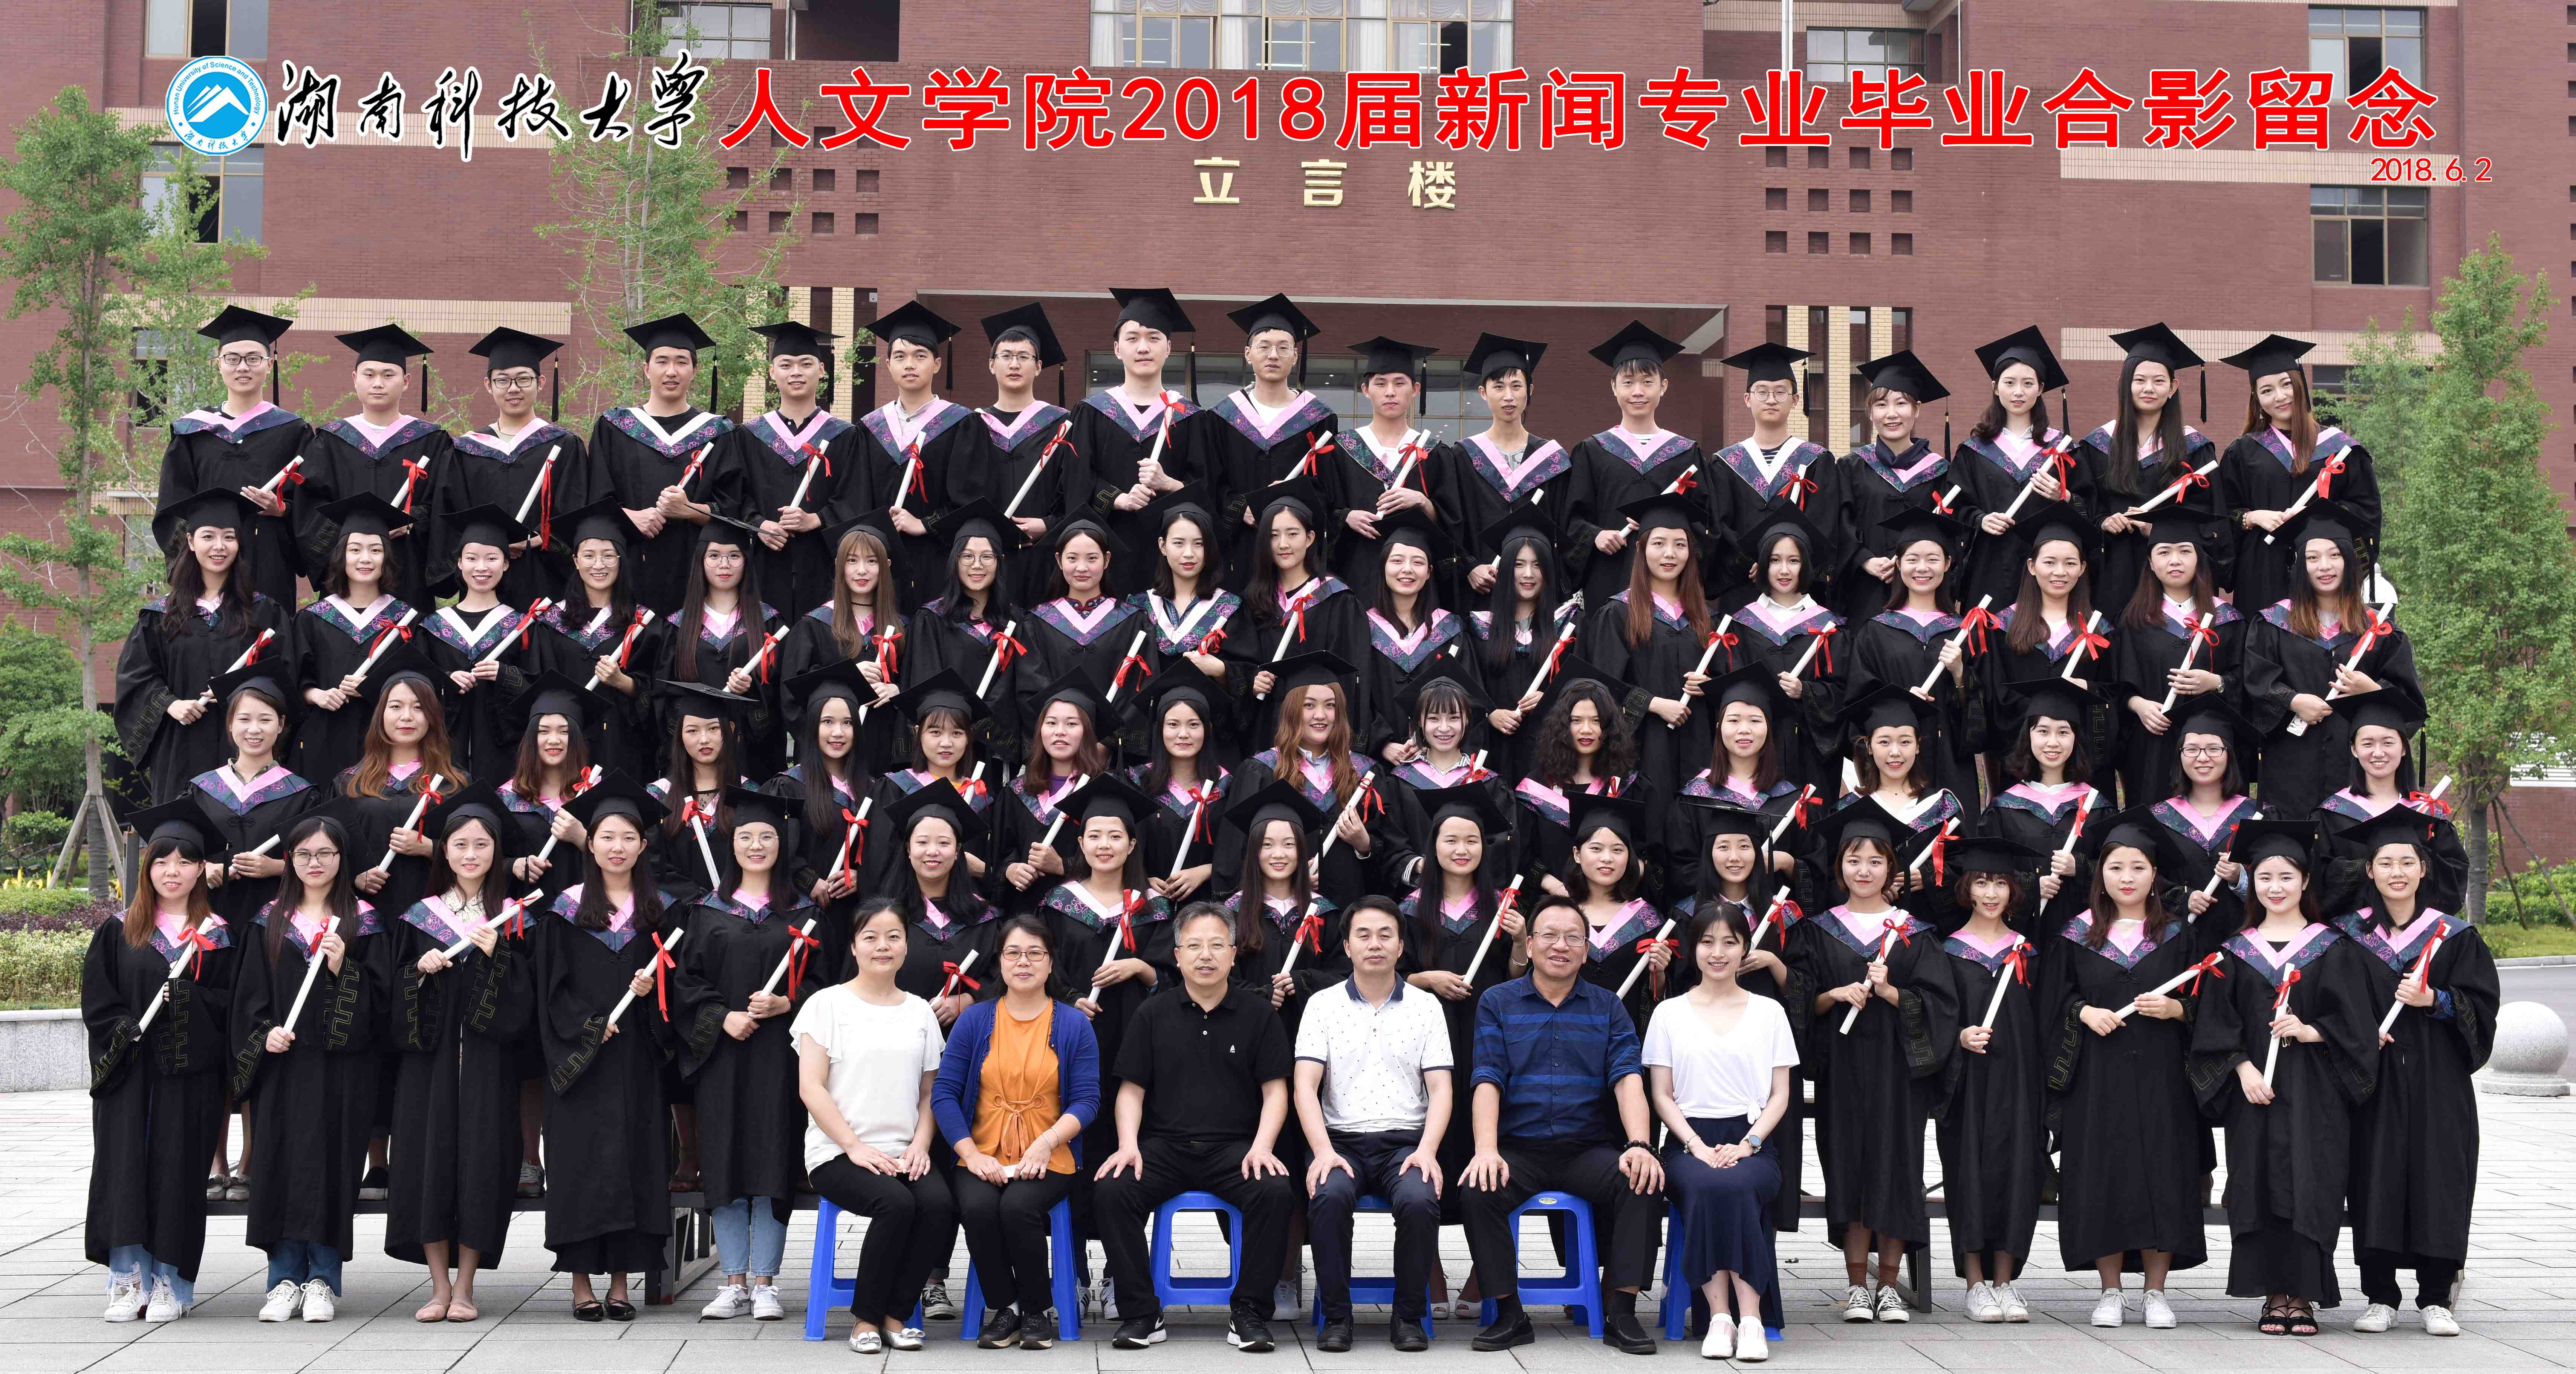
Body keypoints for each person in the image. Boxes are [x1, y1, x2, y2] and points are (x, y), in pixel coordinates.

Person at [2189, 818, 2379, 1336]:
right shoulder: (2234, 951)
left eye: (2286, 877)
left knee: (2312, 1183)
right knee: (2256, 1185)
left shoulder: (2333, 947)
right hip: (2255, 1094)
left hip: (2316, 1092)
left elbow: (2358, 1025)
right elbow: (2214, 1026)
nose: (2275, 887)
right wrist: (2242, 1068)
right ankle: (2272, 1295)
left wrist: (2312, 1029)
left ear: (2305, 882)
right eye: (2265, 877)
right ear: (2252, 882)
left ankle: (2303, 1296)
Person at [1459, 897, 1666, 1354]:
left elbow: (1627, 1077)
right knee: (1477, 1186)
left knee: (1642, 1179)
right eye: (1549, 935)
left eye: (1573, 937)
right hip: (1519, 1148)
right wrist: (1486, 1149)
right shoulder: (1498, 1002)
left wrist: (1639, 1144)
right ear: (1530, 944)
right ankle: (1509, 1313)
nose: (1561, 945)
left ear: (1586, 950)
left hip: (1586, 1148)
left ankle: (1621, 1310)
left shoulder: (1607, 1006)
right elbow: (1487, 1078)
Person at [1091, 901, 1299, 1353]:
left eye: (1217, 945)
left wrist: (1263, 1146)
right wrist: (1128, 1144)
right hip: (1163, 1147)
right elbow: (1130, 1091)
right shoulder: (1153, 1013)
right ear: (1178, 955)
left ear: (1233, 954)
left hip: (1234, 1149)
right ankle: (1141, 1312)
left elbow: (1275, 1092)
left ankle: (1248, 1310)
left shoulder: (1257, 1013)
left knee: (1274, 1191)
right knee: (1112, 1188)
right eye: (1194, 946)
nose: (1206, 955)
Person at [2038, 809, 2211, 1328]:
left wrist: (2177, 1009)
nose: (2127, 877)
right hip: (2097, 1078)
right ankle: (2109, 1290)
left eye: (2138, 867)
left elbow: (2212, 1004)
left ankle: (2156, 1292)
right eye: (2116, 867)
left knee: (2165, 1171)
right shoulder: (2075, 934)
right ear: (2100, 874)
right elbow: (2051, 1000)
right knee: (2102, 1174)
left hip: (2164, 1077)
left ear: (2155, 874)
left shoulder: (2180, 935)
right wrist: (2082, 1012)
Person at [2333, 809, 2498, 1337]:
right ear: (2370, 870)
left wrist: (2437, 1000)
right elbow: (2332, 1002)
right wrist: (2360, 1030)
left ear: (2424, 869)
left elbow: (2483, 1006)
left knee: (2439, 1177)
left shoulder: (2453, 935)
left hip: (2438, 1078)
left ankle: (2435, 1297)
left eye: (2407, 862)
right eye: (2386, 862)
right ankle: (2380, 1296)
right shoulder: (2349, 936)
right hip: (2374, 1076)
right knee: (2373, 1176)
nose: (2397, 872)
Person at [1792, 799, 1954, 1324]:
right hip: (1842, 1071)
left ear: (1891, 868)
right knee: (1848, 1168)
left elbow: (1941, 1006)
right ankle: (1856, 1285)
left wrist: (1890, 993)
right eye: (1853, 859)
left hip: (1897, 1072)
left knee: (1896, 1169)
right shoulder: (1818, 929)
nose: (1863, 870)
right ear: (1839, 866)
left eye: (1875, 860)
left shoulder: (1914, 932)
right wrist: (1834, 994)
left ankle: (1889, 1285)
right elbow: (1802, 1001)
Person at [668, 788, 823, 1321]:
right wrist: (721, 1017)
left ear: (783, 844)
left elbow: (829, 984)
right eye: (746, 837)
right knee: (726, 1160)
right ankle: (733, 1281)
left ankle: (766, 1283)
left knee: (772, 1160)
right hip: (724, 1058)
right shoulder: (707, 911)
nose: (756, 845)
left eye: (767, 836)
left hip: (781, 1059)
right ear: (731, 845)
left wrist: (788, 1002)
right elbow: (686, 984)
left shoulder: (804, 914)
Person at [85, 799, 238, 1324]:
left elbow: (230, 1004)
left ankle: (172, 1281)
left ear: (201, 870)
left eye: (185, 861)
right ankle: (128, 1280)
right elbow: (98, 1002)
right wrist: (123, 1030)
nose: (173, 871)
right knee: (125, 1169)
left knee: (178, 1172)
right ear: (147, 869)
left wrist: (188, 1002)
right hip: (130, 1075)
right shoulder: (119, 930)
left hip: (188, 1076)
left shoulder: (218, 934)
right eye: (162, 861)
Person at [382, 784, 527, 1322]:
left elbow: (525, 1004)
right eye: (460, 844)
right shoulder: (418, 916)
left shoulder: (513, 917)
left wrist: (499, 957)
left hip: (488, 1069)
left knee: (481, 1167)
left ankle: (466, 1286)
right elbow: (393, 998)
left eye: (482, 844)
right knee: (429, 1165)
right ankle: (438, 1286)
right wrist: (418, 974)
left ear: (496, 852)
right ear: (443, 851)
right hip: (430, 1070)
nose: (471, 854)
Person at [791, 898, 958, 1354]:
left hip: (903, 1150)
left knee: (939, 1204)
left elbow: (930, 1092)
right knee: (896, 1203)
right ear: (854, 946)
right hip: (837, 1153)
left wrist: (921, 1145)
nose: (882, 946)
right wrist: (854, 1147)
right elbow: (811, 1088)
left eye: (893, 937)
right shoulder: (826, 1005)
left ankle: (895, 1314)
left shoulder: (920, 1012)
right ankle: (866, 1319)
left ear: (906, 946)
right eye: (871, 937)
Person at [231, 811, 375, 1324]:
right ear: (289, 859)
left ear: (342, 858)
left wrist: (343, 968)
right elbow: (247, 997)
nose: (316, 863)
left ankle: (322, 1281)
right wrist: (263, 1033)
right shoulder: (269, 921)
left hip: (340, 1071)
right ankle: (283, 1280)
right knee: (281, 1167)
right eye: (305, 854)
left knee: (332, 1169)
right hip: (284, 1069)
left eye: (326, 853)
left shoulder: (364, 921)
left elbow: (381, 1003)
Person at [932, 916, 1102, 1350]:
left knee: (1017, 1208)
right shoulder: (974, 1020)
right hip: (982, 1152)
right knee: (977, 1207)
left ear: (1050, 963)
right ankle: (1005, 1306)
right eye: (1013, 953)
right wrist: (971, 1154)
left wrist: (1046, 1143)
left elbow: (1087, 1101)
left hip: (1050, 1154)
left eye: (1034, 953)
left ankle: (1036, 1310)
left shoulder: (1073, 1024)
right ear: (1000, 961)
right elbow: (945, 1094)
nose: (1023, 962)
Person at [1294, 896, 1453, 1353]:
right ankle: (1336, 1316)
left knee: (1419, 1199)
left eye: (1386, 935)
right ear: (1347, 946)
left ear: (1401, 946)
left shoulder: (1426, 1007)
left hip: (1405, 1143)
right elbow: (1305, 1085)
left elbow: (1441, 1088)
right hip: (1339, 1141)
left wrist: (1427, 1151)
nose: (1375, 944)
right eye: (1363, 935)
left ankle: (1408, 1316)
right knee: (1328, 1196)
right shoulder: (1322, 1005)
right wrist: (1322, 1152)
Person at [1644, 900, 1797, 1362]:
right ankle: (1720, 1316)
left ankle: (1749, 1320)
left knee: (1736, 1183)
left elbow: (1780, 1095)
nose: (1717, 953)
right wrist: (1694, 1145)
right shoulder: (1668, 1013)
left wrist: (1749, 1144)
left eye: (1729, 942)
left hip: (1753, 1141)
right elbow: (1661, 1095)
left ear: (1744, 948)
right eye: (1707, 942)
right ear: (1692, 949)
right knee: (1710, 1183)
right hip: (1687, 1141)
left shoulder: (1769, 1011)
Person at [2243, 499, 2422, 818]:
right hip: (2290, 771)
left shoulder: (2379, 631)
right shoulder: (2272, 624)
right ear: (2301, 566)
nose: (2324, 566)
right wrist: (2293, 700)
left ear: (2350, 561)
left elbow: (2410, 704)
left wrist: (2373, 690)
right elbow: (2256, 683)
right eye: (2313, 558)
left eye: (2334, 555)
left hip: (2355, 772)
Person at [1036, 775, 1175, 1184]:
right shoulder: (1058, 905)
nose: (1104, 845)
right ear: (1080, 844)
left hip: (1139, 1036)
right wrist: (1071, 999)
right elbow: (1045, 970)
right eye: (1095, 836)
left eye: (1115, 837)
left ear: (1131, 845)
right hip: (1075, 1036)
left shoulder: (1153, 907)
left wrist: (1139, 968)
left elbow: (1174, 975)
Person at [116, 488, 294, 804]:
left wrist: (242, 691)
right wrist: (170, 705)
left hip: (246, 747)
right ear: (190, 542)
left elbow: (285, 678)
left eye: (229, 537)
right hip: (181, 747)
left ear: (239, 543)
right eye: (208, 537)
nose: (219, 546)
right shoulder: (161, 616)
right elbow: (135, 677)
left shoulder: (264, 613)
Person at [1932, 837, 2047, 1322]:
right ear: (1966, 888)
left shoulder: (2028, 952)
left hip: (2019, 1082)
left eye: (2000, 882)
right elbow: (1932, 1013)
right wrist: (1957, 1035)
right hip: (1967, 1084)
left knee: (2018, 1173)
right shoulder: (1946, 951)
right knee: (1967, 1175)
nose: (1991, 892)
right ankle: (1975, 1283)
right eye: (1981, 882)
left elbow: (2045, 1019)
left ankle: (2005, 1282)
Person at [158, 306, 308, 608]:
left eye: (253, 359)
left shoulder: (293, 431)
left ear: (269, 364)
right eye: (232, 359)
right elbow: (174, 506)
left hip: (269, 568)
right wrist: (191, 560)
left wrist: (283, 510)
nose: (243, 367)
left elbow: (313, 504)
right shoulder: (193, 432)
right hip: (206, 574)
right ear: (218, 364)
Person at [2218, 335, 2379, 614]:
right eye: (2267, 391)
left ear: (2301, 384)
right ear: (2256, 398)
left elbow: (2367, 512)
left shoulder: (2341, 449)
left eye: (2287, 384)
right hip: (2262, 577)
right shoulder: (2243, 452)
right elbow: (2220, 515)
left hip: (2323, 577)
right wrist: (2251, 518)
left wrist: (2319, 514)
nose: (2280, 397)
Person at [431, 326, 590, 606]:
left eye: (524, 379)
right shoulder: (465, 450)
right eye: (503, 380)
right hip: (483, 585)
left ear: (541, 382)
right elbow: (448, 517)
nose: (513, 388)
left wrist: (541, 540)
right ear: (488, 385)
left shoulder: (564, 446)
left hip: (546, 584)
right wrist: (483, 545)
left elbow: (577, 514)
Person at [588, 313, 733, 614]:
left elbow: (734, 507)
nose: (672, 371)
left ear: (695, 370)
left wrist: (690, 510)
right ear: (646, 369)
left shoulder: (718, 432)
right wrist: (629, 517)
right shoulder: (615, 427)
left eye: (682, 362)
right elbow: (593, 501)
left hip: (698, 573)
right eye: (662, 361)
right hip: (629, 567)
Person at [295, 325, 446, 606]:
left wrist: (410, 522)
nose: (378, 383)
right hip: (346, 578)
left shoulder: (433, 441)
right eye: (369, 374)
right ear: (355, 379)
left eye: (389, 375)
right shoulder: (331, 440)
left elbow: (445, 507)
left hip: (408, 573)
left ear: (406, 381)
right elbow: (310, 510)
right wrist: (352, 533)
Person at [2080, 324, 2226, 615]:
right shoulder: (2097, 445)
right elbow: (2083, 503)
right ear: (2124, 384)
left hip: (2173, 577)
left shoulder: (2194, 449)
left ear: (2172, 388)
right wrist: (2104, 521)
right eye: (2140, 380)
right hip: (2113, 572)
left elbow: (2211, 518)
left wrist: (2161, 529)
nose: (2149, 388)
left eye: (2159, 381)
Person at [719, 320, 860, 620]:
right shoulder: (748, 435)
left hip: (824, 566)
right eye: (786, 365)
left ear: (822, 370)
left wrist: (817, 519)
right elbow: (734, 495)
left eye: (806, 364)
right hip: (764, 566)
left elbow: (857, 496)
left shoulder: (846, 436)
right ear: (772, 372)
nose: (796, 372)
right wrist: (759, 524)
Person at [1840, 508, 1983, 802]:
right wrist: (1899, 703)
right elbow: (1858, 703)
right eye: (1913, 559)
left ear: (1948, 564)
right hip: (1895, 766)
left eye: (1933, 559)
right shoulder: (1875, 632)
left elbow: (1982, 713)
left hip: (1951, 763)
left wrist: (1960, 674)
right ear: (1898, 564)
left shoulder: (1965, 631)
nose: (1922, 568)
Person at [1068, 288, 1202, 597]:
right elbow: (1075, 479)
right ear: (1117, 349)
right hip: (1106, 554)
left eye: (1154, 338)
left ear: (1169, 348)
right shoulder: (1092, 412)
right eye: (1133, 339)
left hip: (1170, 560)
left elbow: (1207, 489)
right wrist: (1117, 499)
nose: (1143, 347)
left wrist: (1170, 484)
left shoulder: (1190, 416)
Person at [1218, 655, 1380, 909]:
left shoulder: (1364, 772)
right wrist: (1285, 878)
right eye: (1309, 705)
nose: (1321, 715)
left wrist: (1365, 844)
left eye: (1330, 705)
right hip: (1281, 914)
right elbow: (1236, 852)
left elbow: (1388, 852)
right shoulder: (1261, 771)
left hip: (1352, 912)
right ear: (1292, 710)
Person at [1588, 493, 1717, 809]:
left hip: (1698, 745)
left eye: (1680, 544)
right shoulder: (1618, 613)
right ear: (1641, 549)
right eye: (1659, 543)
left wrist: (1710, 685)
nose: (1670, 554)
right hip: (1642, 749)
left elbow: (1726, 685)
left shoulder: (1707, 618)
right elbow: (1601, 687)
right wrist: (1653, 703)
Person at [1204, 294, 1341, 586]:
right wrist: (1241, 508)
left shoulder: (1320, 418)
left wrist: (1296, 500)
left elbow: (1328, 489)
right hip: (1239, 549)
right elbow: (1212, 481)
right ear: (1248, 354)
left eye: (1283, 348)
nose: (1273, 355)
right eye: (1264, 347)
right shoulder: (1222, 417)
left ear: (1295, 356)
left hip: (1295, 549)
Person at [2111, 502, 2242, 807]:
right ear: (2150, 562)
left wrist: (2215, 683)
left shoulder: (2228, 619)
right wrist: (2139, 705)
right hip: (2152, 745)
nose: (2175, 561)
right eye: (2164, 552)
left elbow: (2245, 681)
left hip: (2209, 747)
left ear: (2199, 559)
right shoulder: (2133, 621)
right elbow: (2116, 685)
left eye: (2185, 551)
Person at [1566, 322, 1704, 606]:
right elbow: (1571, 519)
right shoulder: (1593, 451)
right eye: (1628, 383)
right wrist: (1595, 536)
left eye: (1648, 382)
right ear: (1614, 387)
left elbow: (1703, 521)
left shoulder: (1685, 453)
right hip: (1608, 579)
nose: (1638, 392)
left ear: (1663, 387)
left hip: (1670, 587)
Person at [286, 494, 419, 786]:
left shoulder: (407, 620)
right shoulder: (312, 619)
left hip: (386, 742)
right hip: (323, 740)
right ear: (341, 557)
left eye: (376, 550)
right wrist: (317, 695)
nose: (365, 559)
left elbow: (420, 683)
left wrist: (375, 687)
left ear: (387, 558)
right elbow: (293, 679)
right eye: (355, 550)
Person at [1982, 503, 2118, 780]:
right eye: (2050, 562)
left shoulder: (2100, 630)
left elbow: (2114, 693)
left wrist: (2088, 689)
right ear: (2032, 566)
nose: (2060, 572)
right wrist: (2040, 721)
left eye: (2070, 563)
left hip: (2083, 762)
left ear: (2082, 569)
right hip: (2021, 758)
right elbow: (1996, 695)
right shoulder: (2003, 626)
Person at [530, 497, 667, 769]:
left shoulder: (644, 624)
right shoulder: (550, 622)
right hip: (566, 747)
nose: (599, 565)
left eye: (608, 556)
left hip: (623, 748)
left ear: (621, 561)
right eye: (589, 556)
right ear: (576, 561)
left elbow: (661, 693)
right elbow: (539, 685)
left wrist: (623, 682)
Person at [1720, 502, 1845, 796]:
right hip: (1755, 751)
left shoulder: (1829, 626)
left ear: (1806, 565)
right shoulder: (1741, 624)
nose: (1784, 570)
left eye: (1794, 561)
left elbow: (1844, 692)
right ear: (1763, 565)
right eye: (1775, 560)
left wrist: (1806, 691)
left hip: (1809, 753)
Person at [1440, 335, 1573, 610]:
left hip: (1538, 591)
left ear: (1530, 391)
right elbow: (1451, 522)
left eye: (1516, 386)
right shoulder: (1463, 456)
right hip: (1482, 590)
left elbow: (1563, 527)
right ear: (1483, 392)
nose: (1508, 397)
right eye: (1499, 387)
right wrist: (1469, 566)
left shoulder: (1553, 458)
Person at [1707, 343, 1844, 607]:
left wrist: (1785, 563)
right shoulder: (1725, 463)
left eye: (1781, 392)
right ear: (1748, 399)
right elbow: (1719, 525)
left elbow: (1824, 524)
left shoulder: (1817, 460)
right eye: (1762, 392)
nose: (1771, 400)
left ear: (1796, 400)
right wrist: (1754, 561)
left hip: (1799, 591)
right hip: (1743, 589)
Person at [1234, 481, 1367, 749]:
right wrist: (1252, 679)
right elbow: (1243, 664)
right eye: (1273, 536)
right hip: (1267, 733)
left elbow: (1353, 677)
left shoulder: (1337, 599)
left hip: (1321, 735)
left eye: (1293, 534)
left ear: (1310, 538)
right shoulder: (1253, 601)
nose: (1283, 544)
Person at [1956, 327, 2080, 610]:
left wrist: (2064, 496)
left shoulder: (2063, 449)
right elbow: (1956, 507)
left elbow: (2090, 507)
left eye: (2028, 383)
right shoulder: (1974, 451)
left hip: (2049, 571)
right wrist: (1981, 520)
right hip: (1990, 567)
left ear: (2041, 389)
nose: (2018, 392)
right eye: (2009, 383)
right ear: (1995, 387)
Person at [1977, 681, 2110, 939]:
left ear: (2076, 738)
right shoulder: (2004, 808)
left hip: (2085, 937)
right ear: (2029, 736)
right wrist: (2029, 885)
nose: (2053, 742)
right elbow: (1985, 871)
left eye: (2063, 732)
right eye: (2043, 732)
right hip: (2020, 937)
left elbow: (2119, 870)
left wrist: (2080, 867)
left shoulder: (2096, 806)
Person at [2316, 690, 2469, 914]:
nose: (2378, 753)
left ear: (2404, 748)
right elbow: (2317, 878)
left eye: (2388, 743)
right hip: (2351, 931)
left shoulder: (2428, 815)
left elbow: (2453, 880)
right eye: (2368, 744)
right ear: (2354, 749)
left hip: (2414, 930)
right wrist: (2365, 870)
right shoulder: (2332, 813)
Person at [191, 667, 318, 931]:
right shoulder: (201, 789)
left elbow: (323, 860)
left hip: (276, 921)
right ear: (230, 724)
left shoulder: (302, 794)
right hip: (206, 919)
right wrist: (203, 868)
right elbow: (179, 851)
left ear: (281, 725)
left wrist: (277, 867)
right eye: (244, 719)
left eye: (265, 720)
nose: (254, 729)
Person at [418, 506, 539, 781]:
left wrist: (505, 674)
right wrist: (446, 680)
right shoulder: (432, 627)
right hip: (444, 749)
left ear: (506, 564)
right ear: (460, 563)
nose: (481, 567)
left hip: (504, 755)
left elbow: (538, 687)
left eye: (492, 558)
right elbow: (416, 683)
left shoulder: (523, 626)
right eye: (471, 558)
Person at [1834, 351, 1953, 624]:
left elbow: (1950, 531)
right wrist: (1864, 560)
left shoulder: (1941, 471)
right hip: (1864, 591)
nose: (1891, 414)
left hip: (1923, 591)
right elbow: (1838, 523)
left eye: (1901, 403)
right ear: (1870, 413)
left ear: (1916, 409)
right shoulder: (1852, 467)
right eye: (1881, 405)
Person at [909, 501, 1031, 768]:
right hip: (948, 748)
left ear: (1000, 562)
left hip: (998, 750)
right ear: (955, 562)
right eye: (967, 556)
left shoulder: (1018, 621)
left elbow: (1023, 686)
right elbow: (926, 683)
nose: (977, 566)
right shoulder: (932, 619)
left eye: (987, 557)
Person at [1467, 499, 1581, 783]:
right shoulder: (1480, 626)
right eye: (1519, 565)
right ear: (1506, 570)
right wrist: (1490, 713)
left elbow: (1585, 685)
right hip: (1494, 750)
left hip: (1551, 750)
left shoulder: (1569, 624)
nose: (1528, 574)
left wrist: (1552, 700)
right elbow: (1468, 683)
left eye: (1537, 565)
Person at [778, 514, 907, 763]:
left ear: (886, 565)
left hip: (882, 755)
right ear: (839, 564)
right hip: (829, 759)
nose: (862, 570)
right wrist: (848, 677)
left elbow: (918, 689)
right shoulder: (813, 626)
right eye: (852, 560)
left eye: (872, 561)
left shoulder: (903, 628)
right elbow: (792, 696)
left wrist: (898, 691)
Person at [1326, 335, 1445, 601]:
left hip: (1414, 580)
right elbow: (1322, 509)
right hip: (1356, 574)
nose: (1390, 392)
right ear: (1366, 390)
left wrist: (1423, 502)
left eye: (1399, 383)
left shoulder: (1433, 452)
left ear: (1415, 390)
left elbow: (1454, 522)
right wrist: (1346, 516)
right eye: (1381, 384)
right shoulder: (1342, 448)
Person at [976, 303, 1078, 610]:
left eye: (1024, 357)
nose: (1014, 364)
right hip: (988, 558)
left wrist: (1048, 524)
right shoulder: (974, 425)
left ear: (1039, 366)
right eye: (1006, 356)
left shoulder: (1063, 425)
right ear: (992, 365)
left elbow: (1075, 490)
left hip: (1044, 557)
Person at [1360, 513, 1480, 768]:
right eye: (1397, 561)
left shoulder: (1451, 630)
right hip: (1379, 765)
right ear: (1383, 568)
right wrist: (1382, 743)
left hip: (1441, 762)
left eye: (1418, 562)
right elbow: (1355, 696)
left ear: (1429, 573)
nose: (1407, 569)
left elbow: (1470, 700)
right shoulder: (1362, 630)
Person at [1017, 517, 1149, 745]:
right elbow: (1031, 688)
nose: (1082, 568)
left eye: (1092, 558)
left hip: (1108, 751)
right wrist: (1060, 738)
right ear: (1059, 561)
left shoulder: (1132, 620)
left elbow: (1136, 691)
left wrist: (1107, 743)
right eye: (1072, 558)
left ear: (1107, 560)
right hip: (1057, 746)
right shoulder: (1037, 622)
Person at [1513, 668, 1645, 894]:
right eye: (1576, 721)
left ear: (1610, 727)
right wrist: (1556, 888)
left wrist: (1610, 886)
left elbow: (1649, 855)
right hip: (1551, 903)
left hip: (1614, 902)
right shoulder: (1535, 786)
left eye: (1596, 721)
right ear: (1562, 727)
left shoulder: (1629, 785)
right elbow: (1521, 854)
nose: (1586, 730)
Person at [1132, 489, 1245, 738]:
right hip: (1153, 731)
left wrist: (1221, 670)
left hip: (1210, 732)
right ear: (1163, 546)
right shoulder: (1139, 608)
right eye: (1179, 543)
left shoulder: (1229, 607)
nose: (1189, 554)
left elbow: (1250, 674)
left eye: (1199, 544)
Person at [2148, 699, 2263, 936]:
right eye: (2191, 749)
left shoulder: (2258, 817)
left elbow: (2282, 882)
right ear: (2180, 755)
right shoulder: (2158, 818)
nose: (2202, 758)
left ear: (2229, 755)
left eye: (2213, 749)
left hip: (2245, 943)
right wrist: (2181, 899)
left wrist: (2240, 878)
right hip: (2178, 942)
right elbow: (2145, 881)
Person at [1565, 792, 1675, 1029]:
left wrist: (1659, 973)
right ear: (1577, 854)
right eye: (1596, 849)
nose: (1607, 859)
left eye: (1618, 850)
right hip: (1564, 1035)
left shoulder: (1648, 920)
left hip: (1625, 1037)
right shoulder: (1559, 915)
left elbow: (1657, 997)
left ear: (1630, 858)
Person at [1130, 673, 1231, 903]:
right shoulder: (1137, 782)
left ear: (1207, 730)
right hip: (1150, 907)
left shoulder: (1227, 786)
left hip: (1209, 908)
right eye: (1173, 725)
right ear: (1160, 730)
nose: (1183, 734)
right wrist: (1142, 880)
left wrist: (1208, 870)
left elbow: (1241, 851)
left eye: (1194, 725)